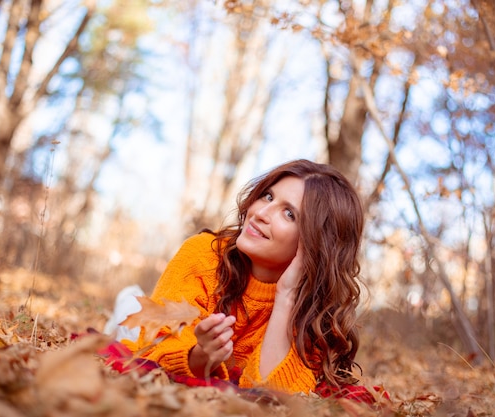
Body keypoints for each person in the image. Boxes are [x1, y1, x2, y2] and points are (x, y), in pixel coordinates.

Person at [120, 159, 365, 395]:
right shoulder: (201, 254)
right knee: (129, 308)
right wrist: (200, 356)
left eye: (288, 214)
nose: (261, 213)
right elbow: (154, 352)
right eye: (267, 197)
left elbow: (274, 396)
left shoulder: (312, 314)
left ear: (316, 244)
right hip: (136, 329)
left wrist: (286, 297)